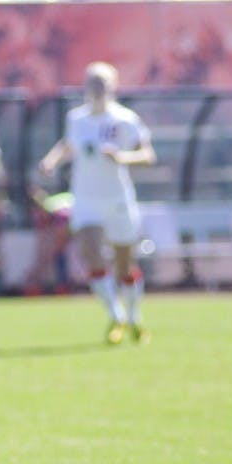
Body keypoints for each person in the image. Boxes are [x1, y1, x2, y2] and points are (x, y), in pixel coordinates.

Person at [38, 61, 156, 344]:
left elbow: (148, 155)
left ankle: (134, 318)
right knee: (91, 254)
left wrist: (122, 157)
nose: (96, 89)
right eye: (92, 83)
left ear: (113, 87)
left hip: (117, 198)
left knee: (124, 264)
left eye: (102, 84)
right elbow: (69, 145)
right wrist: (51, 160)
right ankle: (116, 316)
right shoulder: (77, 119)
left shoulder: (124, 119)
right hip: (87, 198)